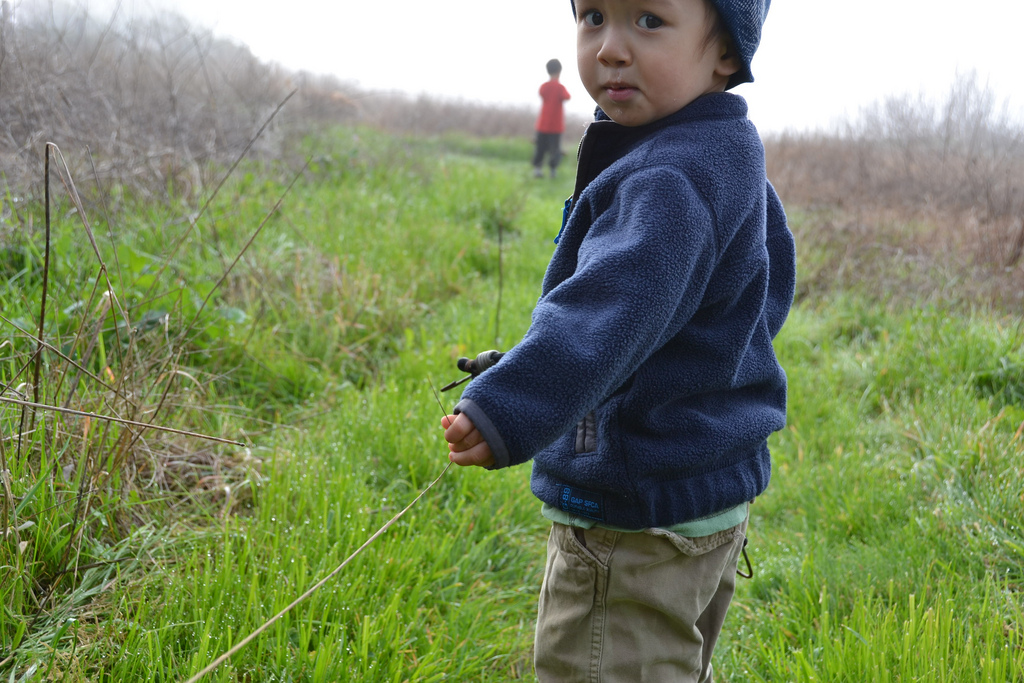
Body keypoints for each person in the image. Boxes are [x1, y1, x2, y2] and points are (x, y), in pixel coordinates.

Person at [442, 0, 794, 680]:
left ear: (726, 51)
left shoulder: (668, 177)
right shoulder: (727, 149)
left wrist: (510, 403)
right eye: (594, 15)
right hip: (703, 498)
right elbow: (758, 294)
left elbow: (608, 311)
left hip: (633, 527)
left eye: (649, 21)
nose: (610, 47)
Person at [532, 58, 572, 178]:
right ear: (559, 71)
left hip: (543, 124)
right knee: (555, 149)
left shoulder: (544, 86)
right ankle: (552, 171)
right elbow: (567, 97)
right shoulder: (560, 88)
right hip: (556, 126)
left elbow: (541, 94)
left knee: (540, 147)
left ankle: (537, 169)